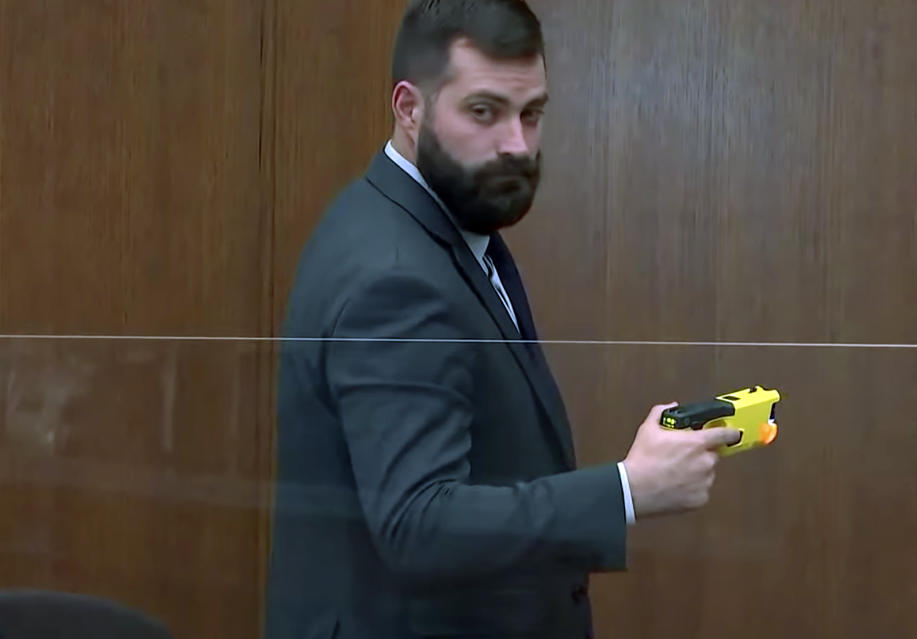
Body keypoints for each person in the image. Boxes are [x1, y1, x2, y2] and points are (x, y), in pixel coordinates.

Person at [265, 1, 740, 638]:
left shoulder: (433, 224)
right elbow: (418, 523)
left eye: (532, 114)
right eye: (484, 112)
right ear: (410, 109)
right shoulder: (395, 274)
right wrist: (628, 490)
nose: (516, 144)